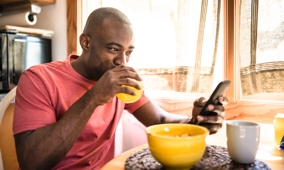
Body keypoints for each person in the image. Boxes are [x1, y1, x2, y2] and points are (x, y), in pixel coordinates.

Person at [13, 7, 227, 170]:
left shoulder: (120, 83)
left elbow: (160, 121)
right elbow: (32, 163)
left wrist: (196, 123)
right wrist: (94, 97)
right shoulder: (38, 79)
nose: (122, 61)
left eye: (128, 52)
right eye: (113, 49)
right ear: (86, 43)